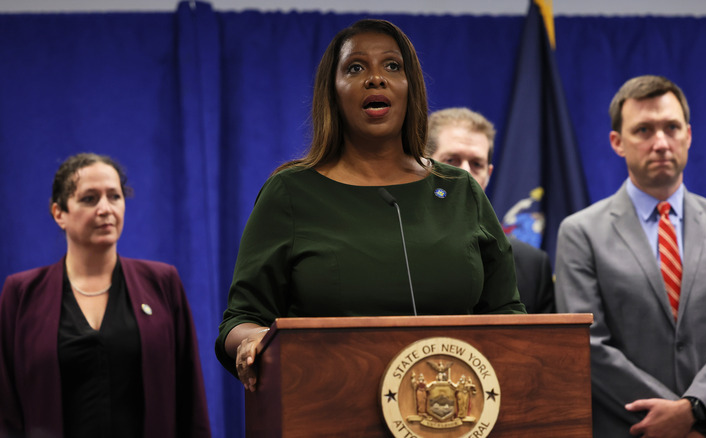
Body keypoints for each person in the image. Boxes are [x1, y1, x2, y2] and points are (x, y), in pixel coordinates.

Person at [215, 19, 525, 391]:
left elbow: (507, 314)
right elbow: (242, 318)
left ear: (411, 88)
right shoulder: (290, 192)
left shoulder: (458, 190)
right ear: (333, 91)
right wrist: (253, 339)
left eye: (392, 66)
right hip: (330, 404)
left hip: (454, 409)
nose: (376, 78)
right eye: (356, 67)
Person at [555, 75, 706, 437]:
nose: (660, 142)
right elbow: (587, 344)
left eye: (671, 127)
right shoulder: (581, 233)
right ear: (617, 142)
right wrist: (677, 422)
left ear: (688, 134)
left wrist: (696, 410)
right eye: (643, 130)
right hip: (633, 429)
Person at [0, 153, 211, 438]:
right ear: (59, 213)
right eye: (89, 198)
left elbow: (190, 398)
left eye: (114, 196)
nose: (105, 208)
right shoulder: (21, 294)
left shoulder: (163, 283)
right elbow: (7, 409)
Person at [427, 107, 555, 313]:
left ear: (488, 174)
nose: (465, 173)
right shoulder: (397, 245)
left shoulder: (532, 265)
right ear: (424, 165)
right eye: (451, 161)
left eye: (476, 164)